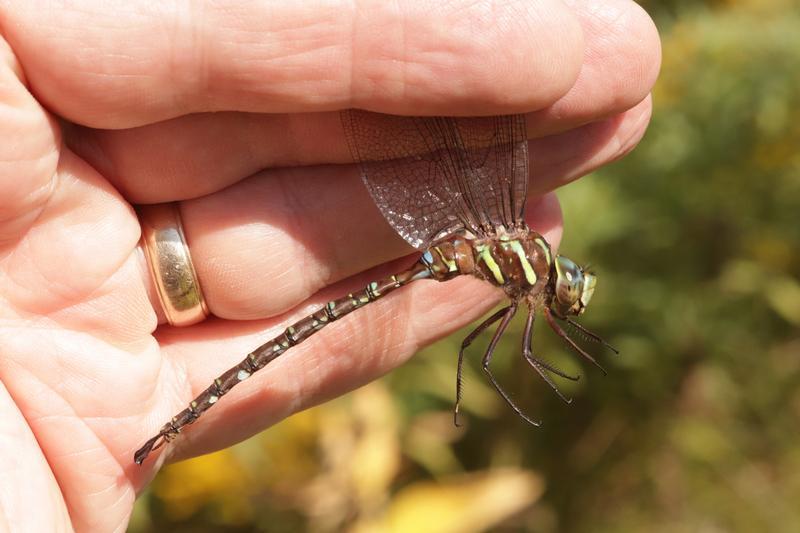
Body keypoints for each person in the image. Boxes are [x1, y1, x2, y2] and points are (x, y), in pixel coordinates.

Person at [0, 1, 660, 530]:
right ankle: (172, 422)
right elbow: (491, 354)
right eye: (571, 292)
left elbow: (486, 354)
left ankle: (164, 426)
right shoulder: (528, 270)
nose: (567, 298)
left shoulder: (521, 266)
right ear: (552, 279)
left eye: (572, 297)